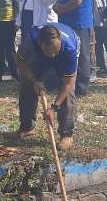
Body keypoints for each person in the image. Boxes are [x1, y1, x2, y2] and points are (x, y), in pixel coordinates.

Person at [15, 23, 78, 151]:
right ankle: (27, 127)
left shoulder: (69, 48)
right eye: (49, 52)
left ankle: (66, 134)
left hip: (64, 58)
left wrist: (54, 107)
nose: (53, 56)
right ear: (40, 43)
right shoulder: (30, 42)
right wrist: (34, 81)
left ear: (60, 40)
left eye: (56, 51)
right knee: (27, 84)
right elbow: (19, 60)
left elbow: (68, 83)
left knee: (68, 92)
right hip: (39, 58)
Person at [53, 0, 93, 96]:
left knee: (81, 56)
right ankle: (70, 85)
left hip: (79, 22)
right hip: (69, 22)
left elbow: (76, 1)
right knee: (70, 54)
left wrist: (61, 9)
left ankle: (82, 88)